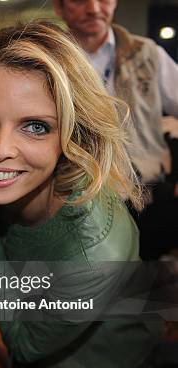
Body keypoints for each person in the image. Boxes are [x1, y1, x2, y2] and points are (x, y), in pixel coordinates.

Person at [0, 22, 162, 368]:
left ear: (72, 133)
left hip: (98, 366)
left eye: (36, 126)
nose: (0, 149)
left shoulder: (94, 252)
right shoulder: (7, 182)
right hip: (35, 330)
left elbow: (26, 343)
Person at [54, 0, 178, 259]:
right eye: (79, 0)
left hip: (148, 195)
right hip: (75, 202)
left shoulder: (146, 54)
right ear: (59, 7)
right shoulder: (50, 58)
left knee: (147, 285)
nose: (94, 8)